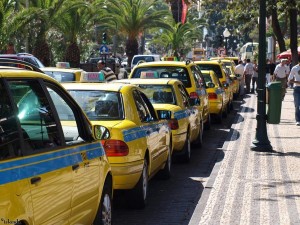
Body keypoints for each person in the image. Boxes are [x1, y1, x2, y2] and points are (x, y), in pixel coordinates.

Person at [288, 58, 300, 126]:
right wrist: (296, 82)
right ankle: (298, 120)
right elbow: (289, 79)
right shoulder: (295, 68)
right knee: (297, 105)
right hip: (297, 88)